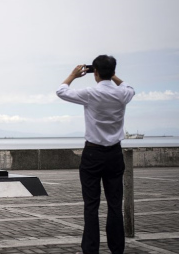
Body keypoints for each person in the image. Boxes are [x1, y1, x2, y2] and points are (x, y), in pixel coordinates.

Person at [56, 55, 135, 254]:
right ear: (113, 71)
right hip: (115, 154)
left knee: (91, 205)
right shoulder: (122, 94)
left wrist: (73, 75)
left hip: (93, 153)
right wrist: (114, 77)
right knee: (115, 204)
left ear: (95, 72)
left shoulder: (91, 93)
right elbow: (130, 88)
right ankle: (117, 249)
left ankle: (90, 250)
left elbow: (61, 91)